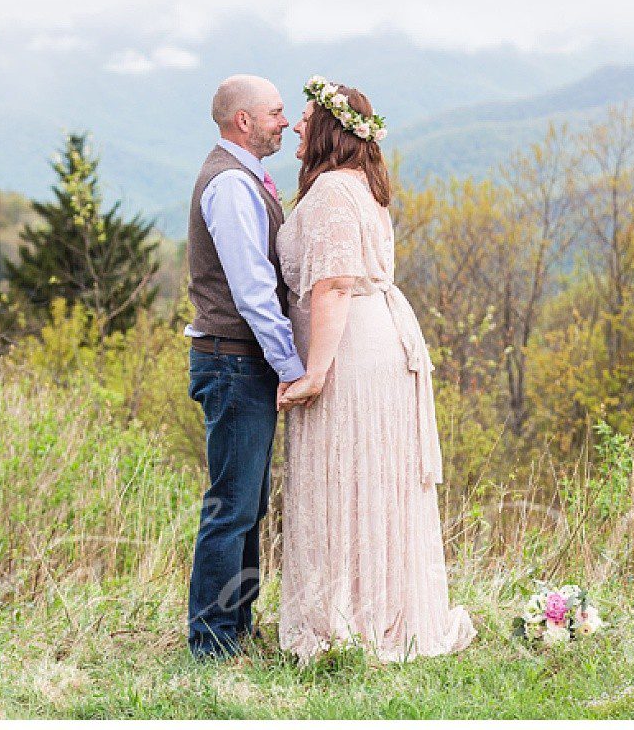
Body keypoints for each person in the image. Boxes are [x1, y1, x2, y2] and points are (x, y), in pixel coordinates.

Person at [275, 75, 475, 664]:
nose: (296, 124)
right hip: (373, 344)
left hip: (352, 355)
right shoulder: (360, 186)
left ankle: (352, 617)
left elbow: (333, 285)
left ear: (330, 129)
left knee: (348, 474)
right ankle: (371, 607)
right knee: (367, 476)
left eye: (307, 116)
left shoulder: (334, 192)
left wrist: (314, 372)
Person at [184, 74, 305, 661]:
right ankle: (211, 643)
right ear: (244, 122)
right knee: (231, 507)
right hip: (233, 362)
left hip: (237, 363)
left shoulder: (241, 178)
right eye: (277, 112)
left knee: (247, 506)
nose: (286, 121)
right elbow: (254, 290)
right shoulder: (231, 186)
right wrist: (290, 365)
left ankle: (236, 626)